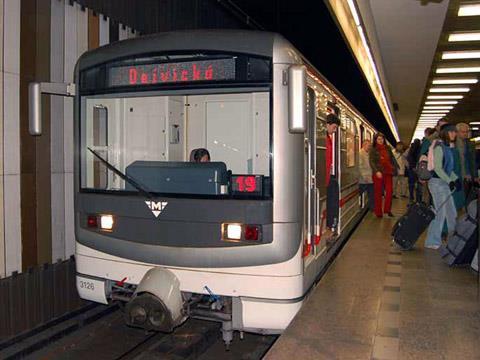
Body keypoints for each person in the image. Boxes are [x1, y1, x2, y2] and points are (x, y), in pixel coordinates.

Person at [425, 123, 459, 249]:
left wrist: (455, 179)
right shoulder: (439, 147)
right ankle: (432, 241)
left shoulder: (448, 147)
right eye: (451, 132)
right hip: (437, 183)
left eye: (454, 132)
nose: (454, 134)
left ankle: (453, 239)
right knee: (440, 213)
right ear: (445, 133)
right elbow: (438, 169)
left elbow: (448, 168)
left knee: (451, 212)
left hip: (443, 182)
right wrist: (450, 180)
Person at [369, 133, 397, 218]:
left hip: (388, 173)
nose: (381, 141)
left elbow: (392, 159)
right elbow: (372, 161)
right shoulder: (373, 149)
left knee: (389, 191)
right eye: (379, 139)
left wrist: (392, 167)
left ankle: (387, 210)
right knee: (378, 193)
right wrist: (376, 171)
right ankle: (378, 212)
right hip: (378, 174)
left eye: (382, 139)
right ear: (375, 140)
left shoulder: (388, 148)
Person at [325, 113, 341, 240]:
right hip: (324, 177)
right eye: (334, 127)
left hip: (328, 176)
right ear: (327, 124)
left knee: (334, 197)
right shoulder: (324, 139)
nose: (334, 131)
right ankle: (330, 227)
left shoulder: (328, 139)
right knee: (332, 201)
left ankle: (331, 226)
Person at [456, 122, 477, 202]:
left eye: (466, 132)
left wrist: (474, 175)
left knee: (468, 197)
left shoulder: (470, 144)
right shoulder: (453, 144)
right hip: (457, 174)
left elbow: (472, 160)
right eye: (463, 132)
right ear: (457, 132)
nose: (465, 134)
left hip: (468, 176)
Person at [359, 140, 374, 212]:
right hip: (364, 179)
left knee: (371, 193)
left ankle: (371, 207)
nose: (370, 147)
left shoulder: (368, 153)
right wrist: (364, 176)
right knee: (363, 193)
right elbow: (360, 166)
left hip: (369, 177)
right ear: (364, 145)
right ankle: (362, 206)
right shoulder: (360, 153)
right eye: (368, 146)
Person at [406, 138, 422, 203]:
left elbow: (408, 157)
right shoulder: (420, 148)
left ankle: (411, 196)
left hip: (411, 169)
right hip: (418, 168)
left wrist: (412, 166)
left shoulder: (411, 149)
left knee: (411, 183)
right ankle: (418, 198)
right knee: (419, 183)